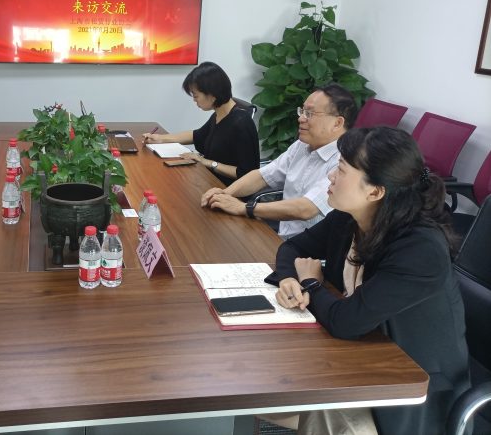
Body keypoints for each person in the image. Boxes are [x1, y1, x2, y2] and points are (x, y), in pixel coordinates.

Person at [272, 127, 469, 434]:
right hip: (360, 356)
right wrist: (289, 279)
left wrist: (310, 282)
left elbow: (345, 321)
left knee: (294, 397)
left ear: (375, 192)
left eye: (341, 170)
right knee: (268, 379)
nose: (330, 177)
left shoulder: (420, 248)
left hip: (409, 388)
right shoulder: (351, 216)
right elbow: (292, 248)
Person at [201, 83, 357, 238]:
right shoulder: (302, 145)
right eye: (302, 111)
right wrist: (224, 194)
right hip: (283, 237)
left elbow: (306, 209)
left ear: (337, 123)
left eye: (309, 113)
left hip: (311, 248)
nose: (301, 118)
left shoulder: (345, 161)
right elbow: (262, 176)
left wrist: (245, 208)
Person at [142, 61, 259, 186]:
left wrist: (207, 162)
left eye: (196, 96)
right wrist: (160, 138)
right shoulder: (219, 114)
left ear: (212, 95)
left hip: (229, 190)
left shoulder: (241, 123)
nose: (194, 100)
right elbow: (196, 136)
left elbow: (247, 174)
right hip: (209, 181)